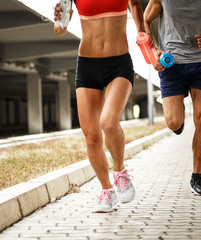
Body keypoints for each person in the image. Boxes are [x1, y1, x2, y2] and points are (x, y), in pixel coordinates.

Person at [54, 0, 145, 212]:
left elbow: (136, 3)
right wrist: (59, 22)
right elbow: (60, 29)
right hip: (87, 66)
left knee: (109, 122)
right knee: (92, 137)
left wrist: (141, 32)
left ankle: (120, 172)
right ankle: (107, 191)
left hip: (119, 64)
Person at [144, 0, 201, 195]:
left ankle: (197, 175)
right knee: (174, 122)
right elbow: (146, 20)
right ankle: (179, 114)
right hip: (170, 62)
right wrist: (154, 51)